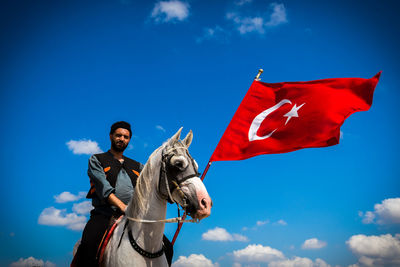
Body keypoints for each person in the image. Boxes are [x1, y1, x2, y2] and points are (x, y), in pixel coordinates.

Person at [73, 121, 143, 266]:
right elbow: (103, 188)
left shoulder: (138, 166)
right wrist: (123, 207)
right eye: (118, 135)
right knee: (88, 245)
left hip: (133, 217)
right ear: (111, 136)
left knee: (165, 246)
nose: (122, 139)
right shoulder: (97, 159)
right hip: (104, 214)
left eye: (126, 137)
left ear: (129, 140)